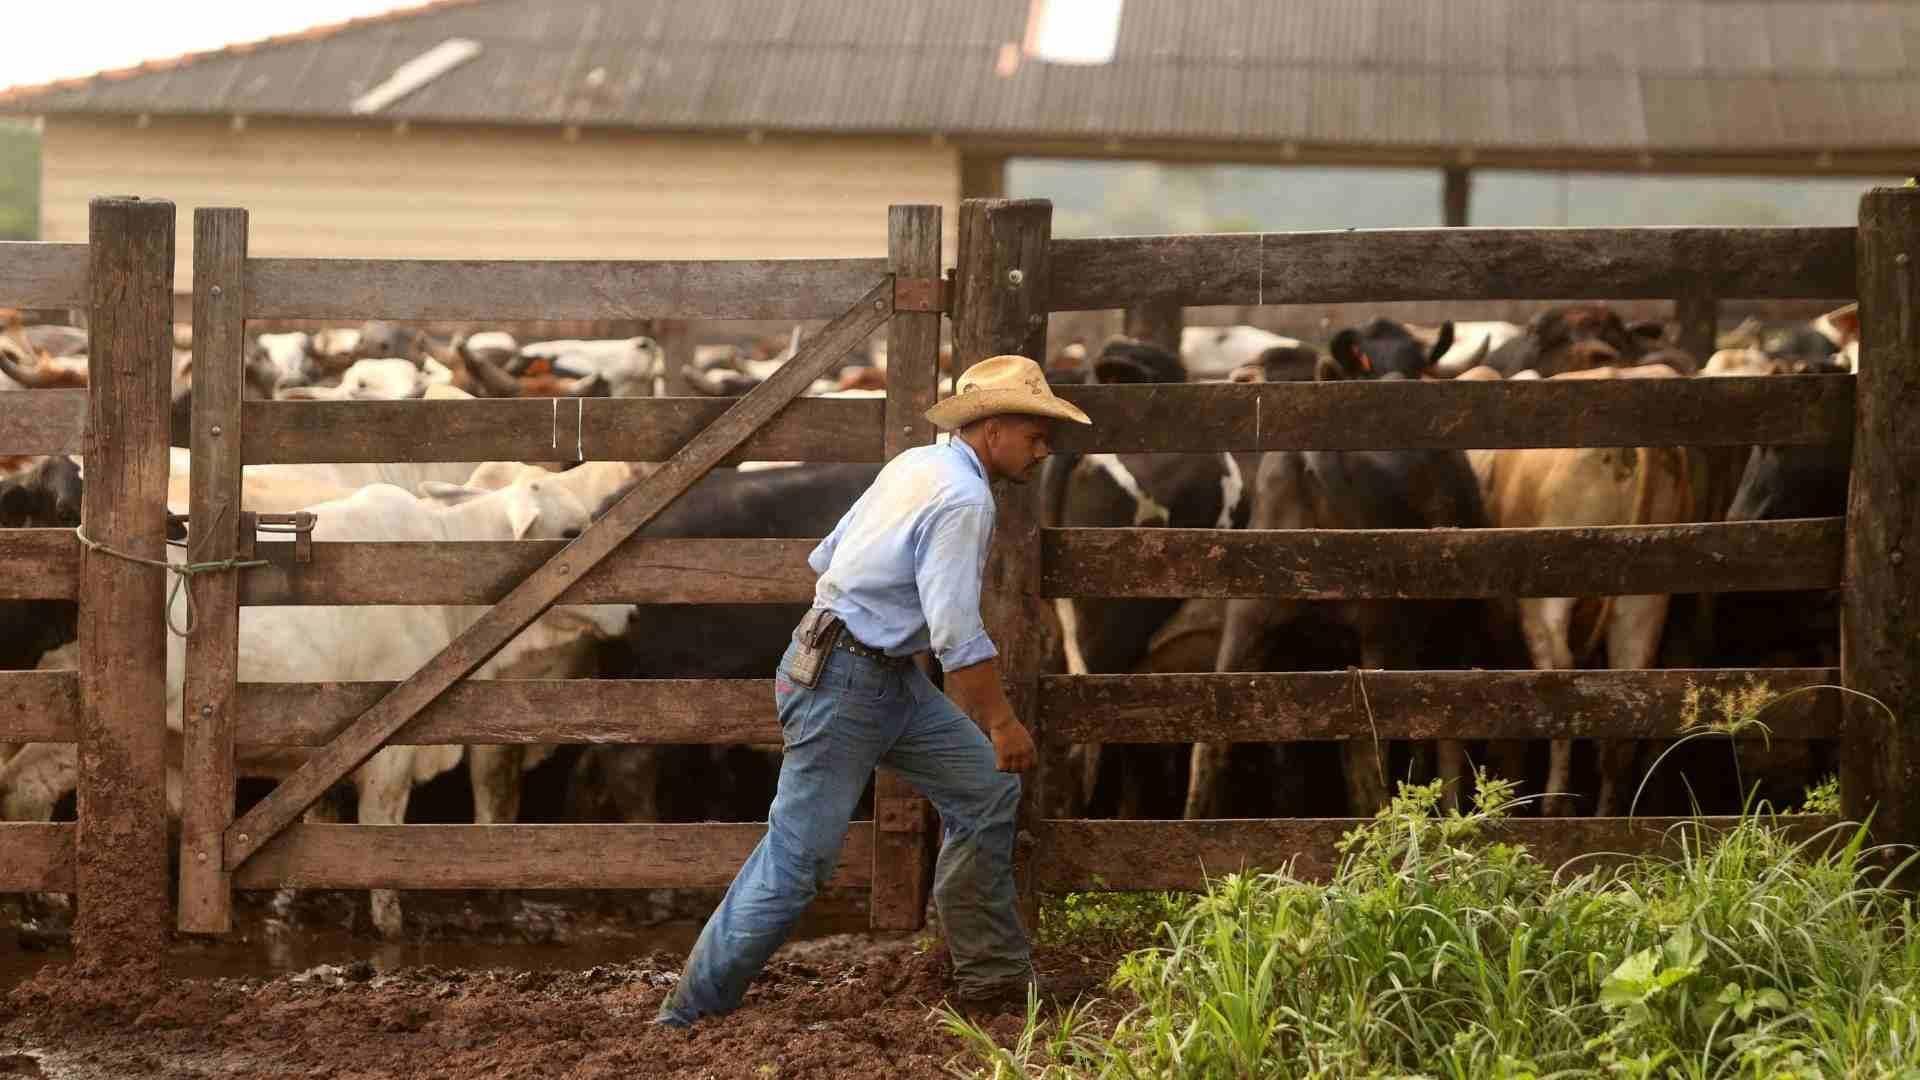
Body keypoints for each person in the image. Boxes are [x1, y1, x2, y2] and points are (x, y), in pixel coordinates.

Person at [656, 353, 1092, 1026]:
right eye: (1037, 434)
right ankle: (687, 1015)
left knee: (985, 789)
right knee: (799, 860)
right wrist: (1003, 724)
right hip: (851, 678)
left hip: (864, 666)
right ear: (996, 427)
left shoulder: (917, 465)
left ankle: (992, 980)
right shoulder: (964, 498)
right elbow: (954, 635)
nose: (1044, 451)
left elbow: (827, 555)